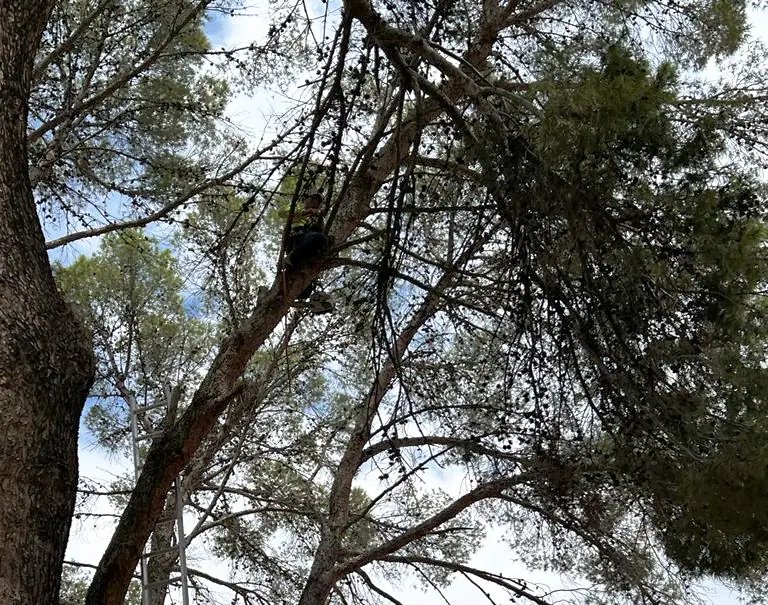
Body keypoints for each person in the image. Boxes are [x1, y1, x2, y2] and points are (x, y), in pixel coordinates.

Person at [280, 189, 333, 314]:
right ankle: (291, 259)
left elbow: (320, 231)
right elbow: (282, 212)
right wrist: (306, 212)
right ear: (306, 199)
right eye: (313, 199)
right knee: (318, 238)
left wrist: (319, 217)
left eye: (318, 202)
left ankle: (316, 304)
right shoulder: (296, 208)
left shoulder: (318, 218)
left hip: (306, 243)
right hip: (296, 238)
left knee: (305, 291)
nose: (315, 203)